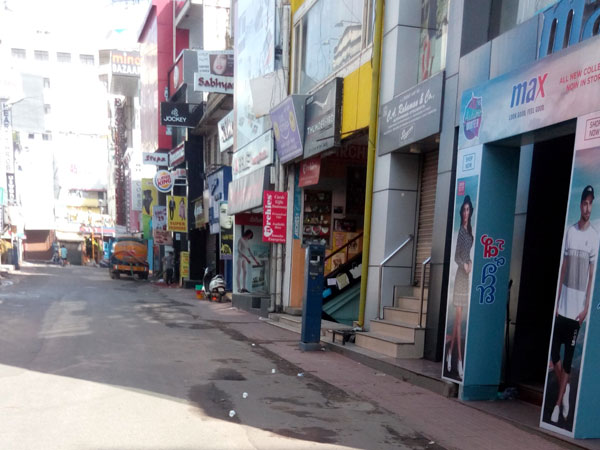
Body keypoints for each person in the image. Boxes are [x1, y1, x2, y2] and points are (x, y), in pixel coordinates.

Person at [549, 185, 598, 424]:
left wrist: (586, 307)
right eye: (584, 203)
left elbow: (592, 276)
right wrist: (557, 302)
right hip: (563, 308)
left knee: (568, 359)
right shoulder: (571, 232)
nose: (587, 208)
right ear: (580, 205)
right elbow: (563, 268)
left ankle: (558, 404)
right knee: (554, 354)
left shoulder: (594, 237)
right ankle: (564, 387)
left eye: (591, 203)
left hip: (577, 311)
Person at [446, 195, 474, 380]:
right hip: (460, 277)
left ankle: (450, 353)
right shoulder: (461, 233)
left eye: (468, 210)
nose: (465, 213)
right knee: (458, 318)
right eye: (463, 210)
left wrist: (470, 262)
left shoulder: (470, 232)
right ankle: (459, 360)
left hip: (466, 277)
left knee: (459, 320)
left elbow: (467, 255)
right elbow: (457, 256)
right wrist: (464, 263)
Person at [236, 229, 259, 293]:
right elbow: (239, 250)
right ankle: (239, 288)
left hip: (244, 258)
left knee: (245, 272)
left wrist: (255, 260)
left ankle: (244, 287)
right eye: (250, 235)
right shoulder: (240, 239)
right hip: (240, 258)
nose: (250, 236)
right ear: (247, 234)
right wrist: (246, 258)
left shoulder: (247, 241)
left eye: (251, 235)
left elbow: (250, 251)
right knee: (239, 272)